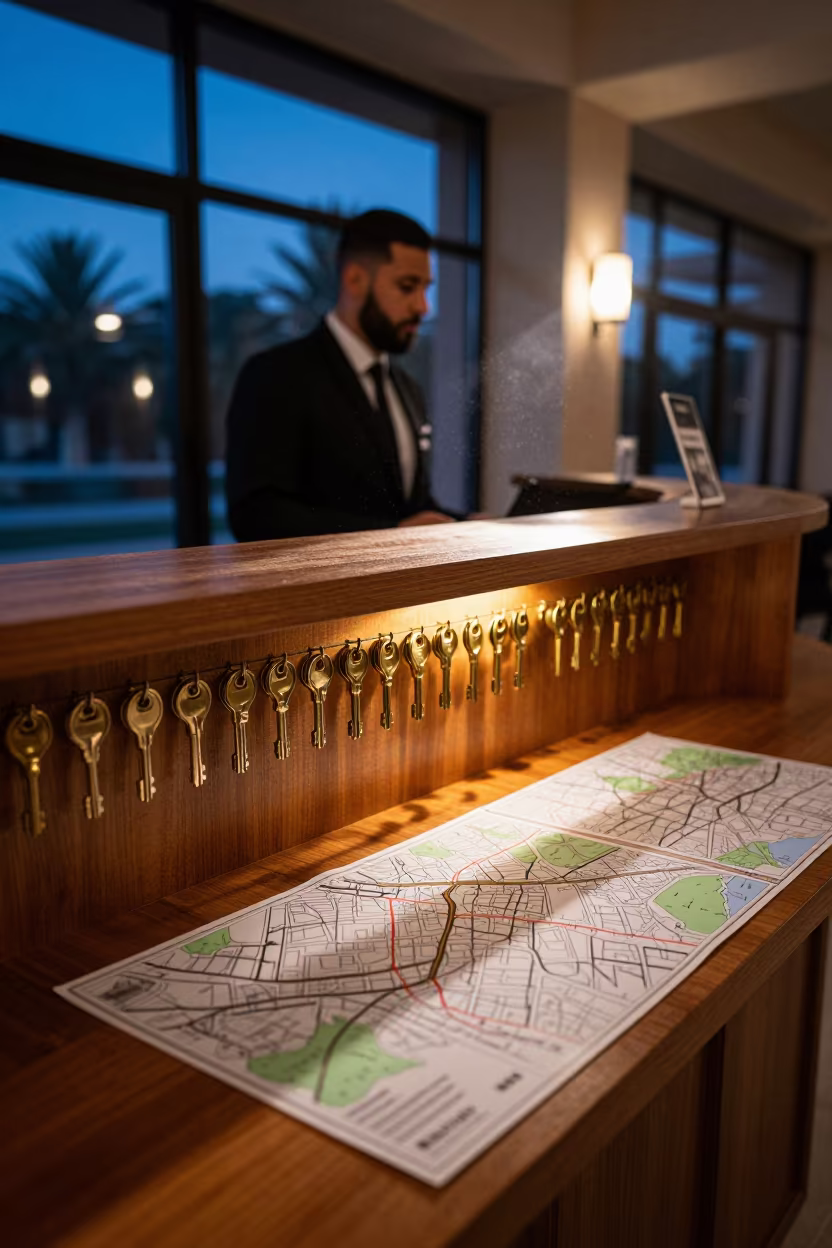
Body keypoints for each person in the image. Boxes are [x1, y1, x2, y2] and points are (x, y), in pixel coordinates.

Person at [225, 209, 457, 541]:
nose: (423, 307)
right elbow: (256, 515)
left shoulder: (407, 389)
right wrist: (391, 535)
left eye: (425, 288)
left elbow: (411, 508)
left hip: (405, 590)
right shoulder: (277, 375)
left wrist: (473, 523)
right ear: (355, 280)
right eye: (407, 287)